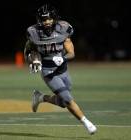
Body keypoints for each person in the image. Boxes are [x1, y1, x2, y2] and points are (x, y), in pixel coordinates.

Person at [24, 4, 97, 135]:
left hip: (63, 70)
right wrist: (34, 60)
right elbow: (30, 51)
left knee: (63, 102)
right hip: (48, 72)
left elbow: (71, 53)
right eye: (44, 19)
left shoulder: (63, 28)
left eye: (49, 18)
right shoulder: (33, 32)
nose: (46, 22)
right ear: (39, 20)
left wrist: (63, 58)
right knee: (68, 100)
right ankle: (87, 123)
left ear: (54, 18)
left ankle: (40, 98)